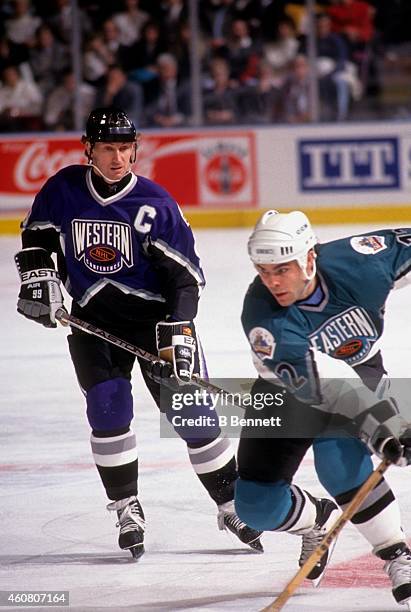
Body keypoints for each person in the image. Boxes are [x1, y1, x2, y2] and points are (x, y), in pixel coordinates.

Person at [14, 107, 263, 560]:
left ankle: (231, 504)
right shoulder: (63, 190)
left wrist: (179, 330)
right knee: (108, 409)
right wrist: (39, 279)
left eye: (124, 148)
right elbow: (37, 238)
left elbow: (187, 279)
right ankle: (127, 507)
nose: (116, 158)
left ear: (136, 150)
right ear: (88, 149)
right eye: (107, 148)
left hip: (156, 326)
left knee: (194, 417)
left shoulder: (157, 205)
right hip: (93, 321)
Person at [234, 210, 411, 605]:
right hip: (290, 388)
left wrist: (381, 423)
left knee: (338, 461)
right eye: (263, 271)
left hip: (358, 370)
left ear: (310, 257)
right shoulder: (264, 316)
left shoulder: (361, 262)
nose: (272, 281)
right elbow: (327, 385)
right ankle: (318, 518)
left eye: (282, 269)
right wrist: (385, 424)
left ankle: (396, 552)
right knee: (254, 506)